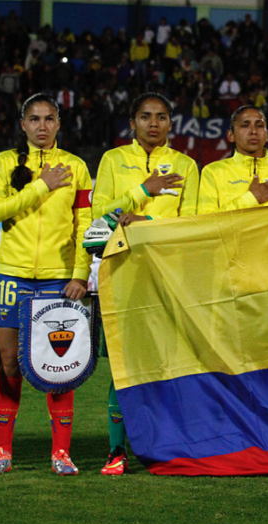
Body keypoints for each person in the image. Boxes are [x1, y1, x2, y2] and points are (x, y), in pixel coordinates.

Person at [0, 94, 93, 476]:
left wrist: (80, 273)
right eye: (34, 119)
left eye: (49, 119)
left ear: (59, 124)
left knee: (60, 367)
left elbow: (84, 226)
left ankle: (60, 454)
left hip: (59, 278)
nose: (42, 126)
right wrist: (42, 185)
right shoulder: (5, 162)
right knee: (9, 363)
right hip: (13, 276)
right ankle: (1, 451)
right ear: (23, 124)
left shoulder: (77, 167)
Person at [90, 92, 200, 475]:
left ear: (172, 123)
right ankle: (116, 452)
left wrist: (148, 224)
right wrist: (143, 190)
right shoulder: (113, 160)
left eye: (162, 117)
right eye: (145, 116)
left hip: (169, 278)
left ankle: (166, 445)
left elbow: (193, 223)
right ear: (132, 122)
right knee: (123, 367)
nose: (154, 123)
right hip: (122, 273)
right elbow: (97, 212)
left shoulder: (187, 165)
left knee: (169, 365)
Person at [197, 105, 268, 214]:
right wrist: (251, 199)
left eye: (259, 126)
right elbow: (206, 221)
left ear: (267, 135)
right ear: (231, 135)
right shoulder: (213, 172)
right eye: (245, 126)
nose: (253, 131)